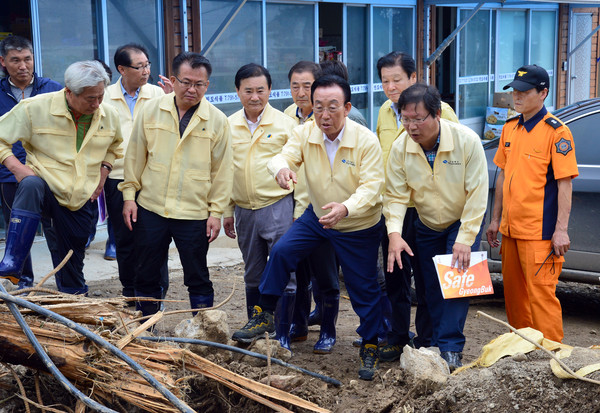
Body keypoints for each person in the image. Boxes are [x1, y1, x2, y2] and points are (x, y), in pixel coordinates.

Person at [232, 75, 385, 381]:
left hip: (356, 223)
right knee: (283, 251)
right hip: (318, 216)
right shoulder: (305, 133)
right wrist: (282, 169)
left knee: (363, 288)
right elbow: (281, 158)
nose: (325, 115)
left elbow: (373, 187)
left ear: (347, 107)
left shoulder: (365, 140)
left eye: (333, 107)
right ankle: (264, 313)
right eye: (318, 108)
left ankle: (370, 344)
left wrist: (345, 208)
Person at [384, 83, 488, 371]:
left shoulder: (467, 141)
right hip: (427, 222)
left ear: (438, 114)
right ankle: (427, 340)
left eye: (419, 119)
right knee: (430, 286)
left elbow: (478, 193)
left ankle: (451, 349)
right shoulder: (400, 148)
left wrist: (466, 238)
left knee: (455, 286)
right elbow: (394, 196)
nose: (412, 126)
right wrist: (394, 233)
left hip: (462, 220)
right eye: (406, 118)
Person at [119, 52, 232, 316]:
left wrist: (216, 212)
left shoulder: (217, 120)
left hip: (193, 212)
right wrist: (128, 197)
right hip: (151, 207)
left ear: (207, 85)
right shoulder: (151, 110)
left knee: (197, 274)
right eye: (186, 82)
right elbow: (134, 156)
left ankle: (203, 329)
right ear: (173, 80)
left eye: (199, 84)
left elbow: (222, 172)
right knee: (146, 272)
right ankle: (146, 327)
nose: (192, 89)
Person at [0, 60, 123, 294]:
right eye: (90, 98)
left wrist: (104, 171)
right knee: (31, 184)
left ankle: (74, 297)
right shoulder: (34, 108)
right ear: (69, 92)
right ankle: (13, 262)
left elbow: (115, 146)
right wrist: (16, 168)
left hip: (79, 195)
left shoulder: (109, 115)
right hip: (46, 187)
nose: (97, 104)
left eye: (100, 96)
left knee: (72, 253)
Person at [374, 51, 460, 362]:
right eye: (385, 81)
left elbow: (452, 161)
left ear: (413, 77)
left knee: (428, 278)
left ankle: (428, 340)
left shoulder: (441, 111)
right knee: (395, 274)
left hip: (427, 208)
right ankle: (398, 336)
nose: (390, 86)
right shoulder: (385, 111)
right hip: (395, 207)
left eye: (397, 79)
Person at [486, 65, 578, 343]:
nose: (517, 96)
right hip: (511, 232)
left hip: (540, 234)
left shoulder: (557, 133)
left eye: (524, 91)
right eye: (514, 90)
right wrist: (495, 219)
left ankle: (553, 357)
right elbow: (502, 175)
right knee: (514, 300)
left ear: (543, 93)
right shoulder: (510, 129)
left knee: (541, 298)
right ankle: (523, 354)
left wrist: (561, 230)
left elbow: (565, 183)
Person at [223, 63, 298, 351]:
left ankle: (283, 334)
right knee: (252, 271)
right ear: (238, 92)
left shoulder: (284, 124)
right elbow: (225, 170)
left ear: (269, 90)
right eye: (248, 91)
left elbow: (297, 166)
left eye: (261, 90)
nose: (255, 97)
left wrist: (296, 208)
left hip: (277, 205)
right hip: (243, 209)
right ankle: (253, 331)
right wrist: (228, 210)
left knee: (285, 271)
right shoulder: (228, 125)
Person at [283, 61, 340, 354]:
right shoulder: (285, 118)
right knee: (298, 272)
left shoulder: (334, 121)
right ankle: (300, 324)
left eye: (307, 86)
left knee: (325, 274)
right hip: (291, 209)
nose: (301, 92)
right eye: (295, 85)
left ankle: (328, 330)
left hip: (322, 211)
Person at [104, 43, 168, 304]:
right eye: (139, 66)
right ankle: (130, 292)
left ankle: (157, 293)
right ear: (122, 69)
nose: (146, 70)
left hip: (152, 179)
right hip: (117, 178)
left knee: (155, 239)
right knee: (125, 239)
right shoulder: (105, 96)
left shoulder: (158, 94)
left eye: (147, 65)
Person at [0, 35, 62, 289]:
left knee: (56, 230)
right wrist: (14, 167)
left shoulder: (54, 89)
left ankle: (66, 281)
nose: (23, 66)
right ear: (3, 62)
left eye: (27, 59)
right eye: (15, 60)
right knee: (19, 230)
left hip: (52, 174)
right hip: (10, 174)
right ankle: (23, 283)